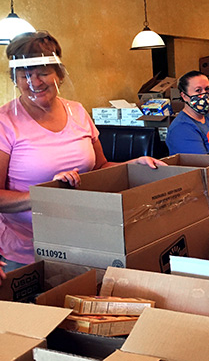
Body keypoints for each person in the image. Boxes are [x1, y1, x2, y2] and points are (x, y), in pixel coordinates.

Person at [0, 31, 165, 278]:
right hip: (27, 252)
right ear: (15, 77)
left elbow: (99, 167)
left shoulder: (76, 111)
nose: (34, 82)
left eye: (43, 72)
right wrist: (49, 193)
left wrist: (133, 164)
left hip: (86, 241)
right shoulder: (5, 121)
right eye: (25, 74)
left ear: (59, 74)